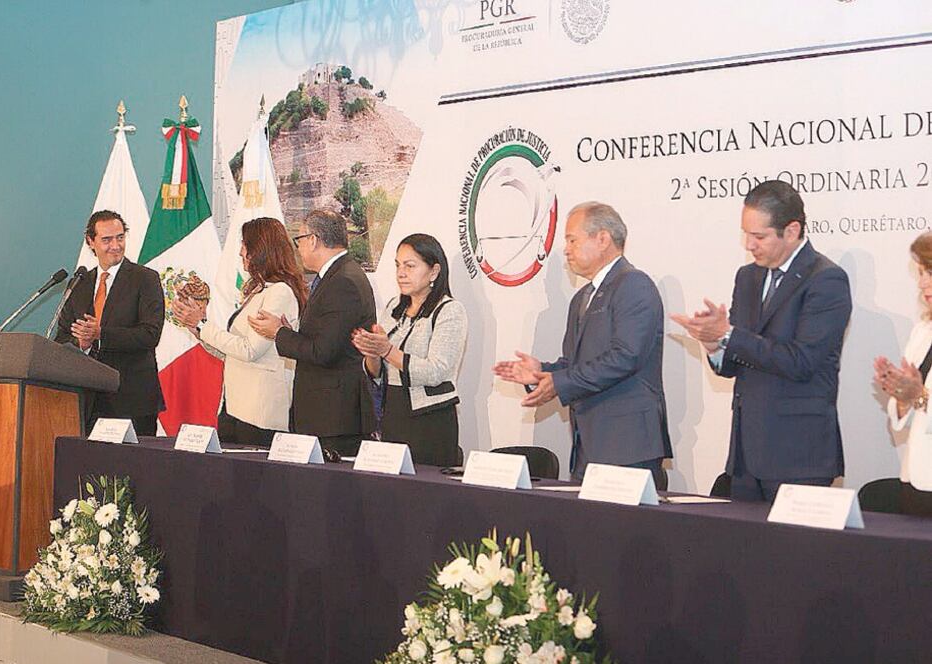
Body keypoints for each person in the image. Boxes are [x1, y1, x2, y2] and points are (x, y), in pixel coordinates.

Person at [671, 180, 851, 502]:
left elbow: (801, 361)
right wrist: (713, 344)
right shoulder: (748, 277)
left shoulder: (826, 280)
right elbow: (734, 364)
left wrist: (727, 333)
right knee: (746, 551)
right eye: (746, 235)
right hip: (746, 455)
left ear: (792, 231)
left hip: (798, 456)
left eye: (759, 237)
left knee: (794, 553)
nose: (750, 246)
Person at [494, 202, 672, 481]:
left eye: (572, 239)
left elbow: (625, 357)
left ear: (602, 239)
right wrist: (543, 372)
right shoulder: (582, 297)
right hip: (588, 446)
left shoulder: (634, 285)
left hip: (627, 446)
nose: (566, 249)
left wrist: (560, 382)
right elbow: (575, 364)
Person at [248, 209, 376, 456]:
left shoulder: (343, 282)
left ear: (313, 239)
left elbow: (323, 352)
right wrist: (289, 331)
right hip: (326, 413)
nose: (298, 248)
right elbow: (325, 336)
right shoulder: (337, 275)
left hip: (333, 416)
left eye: (300, 240)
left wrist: (279, 333)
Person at [173, 217, 306, 447]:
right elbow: (230, 351)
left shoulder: (280, 293)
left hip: (258, 413)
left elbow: (249, 350)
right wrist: (196, 327)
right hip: (234, 406)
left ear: (260, 250)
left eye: (245, 245)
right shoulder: (258, 290)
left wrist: (204, 326)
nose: (241, 252)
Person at [351, 233, 468, 466]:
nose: (401, 273)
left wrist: (386, 350)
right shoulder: (394, 306)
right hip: (393, 412)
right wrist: (372, 353)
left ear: (434, 271)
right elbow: (377, 373)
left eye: (410, 266)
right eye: (397, 265)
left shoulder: (449, 311)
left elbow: (436, 372)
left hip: (430, 420)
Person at [56, 210, 165, 436]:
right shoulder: (79, 284)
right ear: (90, 242)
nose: (115, 245)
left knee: (134, 470)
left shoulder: (145, 279)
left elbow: (150, 334)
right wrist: (81, 343)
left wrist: (101, 334)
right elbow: (62, 337)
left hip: (132, 399)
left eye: (120, 237)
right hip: (87, 401)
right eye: (106, 240)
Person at [874, 232, 932, 516]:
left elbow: (922, 398)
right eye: (921, 273)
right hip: (916, 480)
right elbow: (902, 417)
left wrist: (919, 397)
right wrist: (902, 396)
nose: (922, 283)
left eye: (930, 272)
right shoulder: (922, 332)